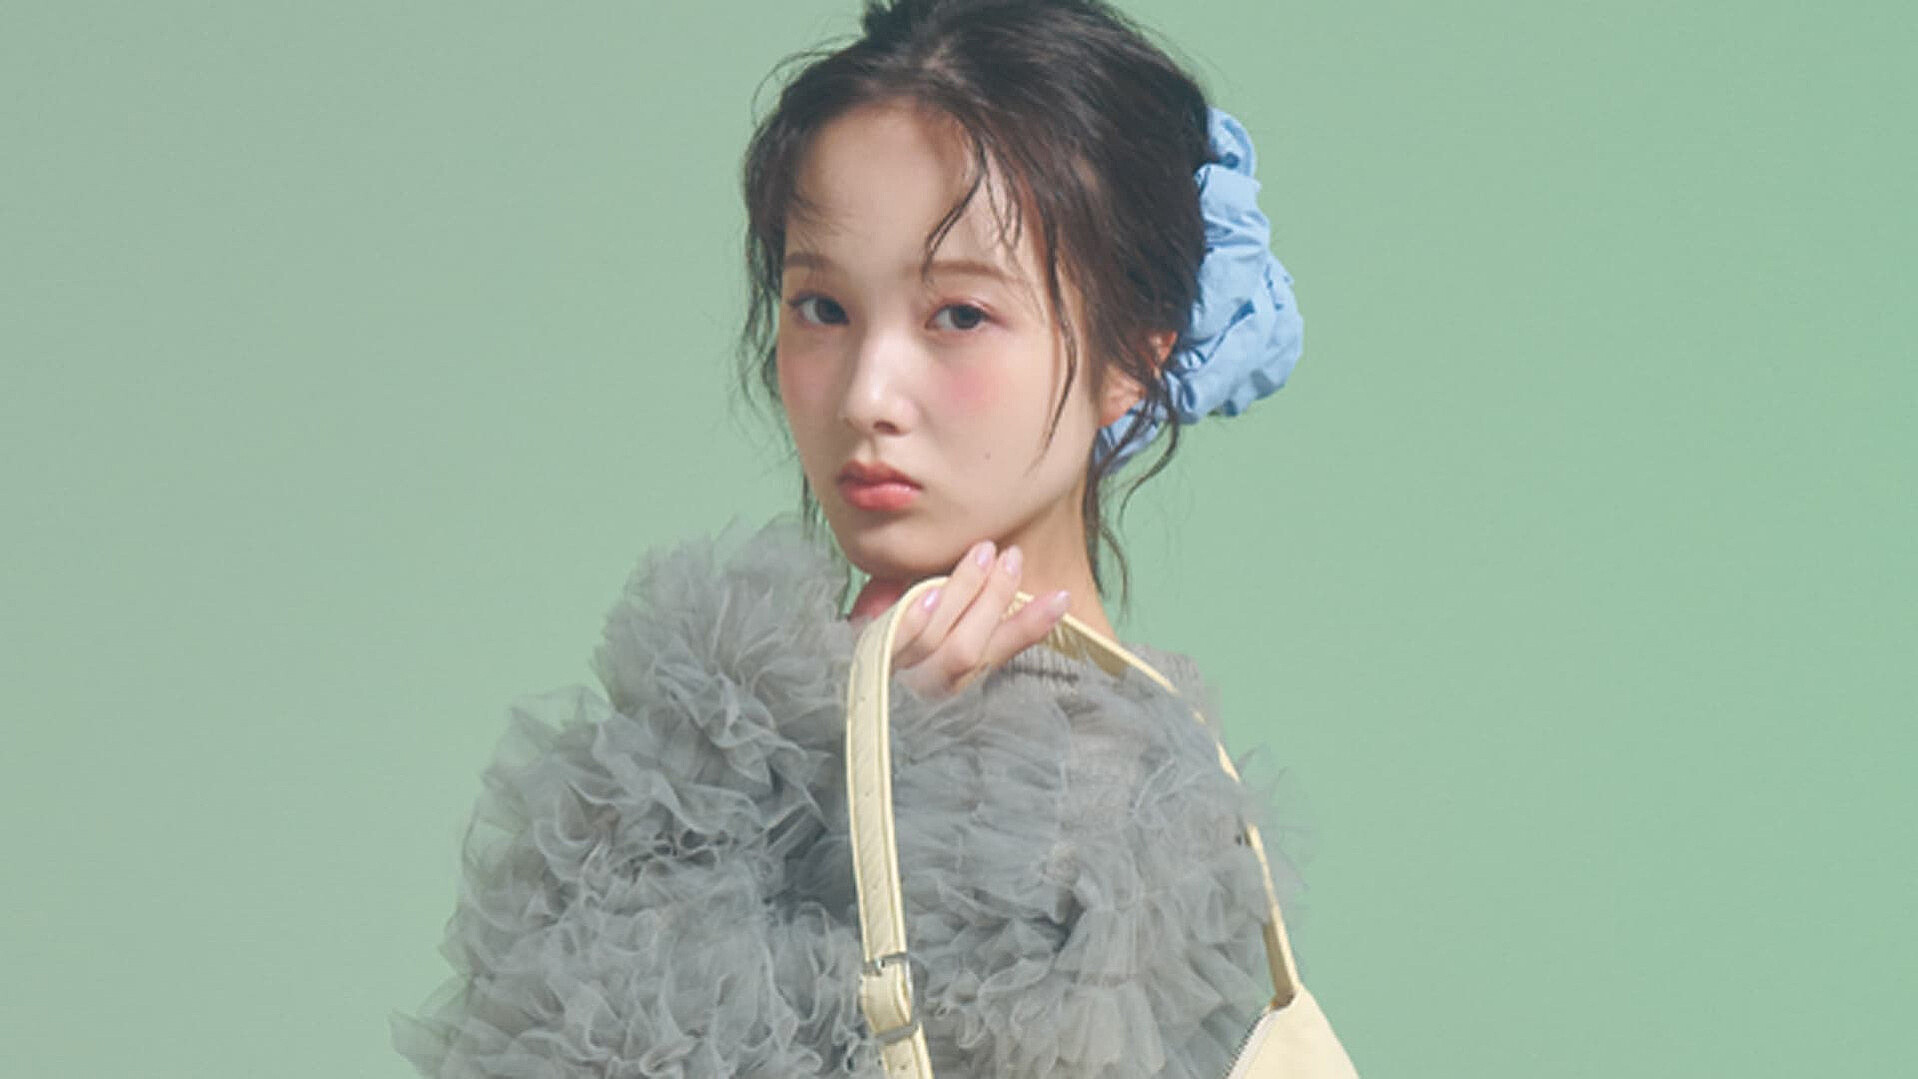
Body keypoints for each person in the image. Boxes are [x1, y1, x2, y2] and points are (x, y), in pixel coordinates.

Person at [392, 0, 1316, 1075]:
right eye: (822, 307)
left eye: (959, 315)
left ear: (1132, 362)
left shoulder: (1094, 804)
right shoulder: (813, 713)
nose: (868, 395)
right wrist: (831, 741)